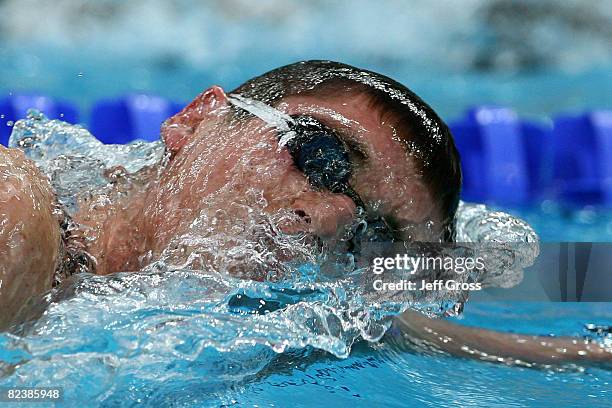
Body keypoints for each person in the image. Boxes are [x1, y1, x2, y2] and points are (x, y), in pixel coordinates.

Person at [0, 60, 609, 365]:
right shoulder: (19, 218)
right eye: (321, 157)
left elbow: (382, 325)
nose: (332, 221)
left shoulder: (255, 320)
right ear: (196, 118)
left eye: (368, 234)